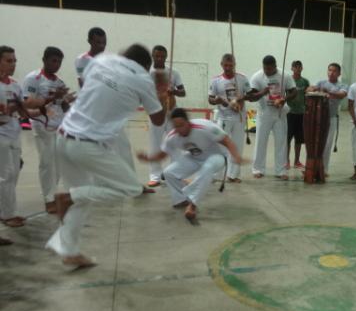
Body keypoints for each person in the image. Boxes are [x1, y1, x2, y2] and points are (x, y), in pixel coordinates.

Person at [46, 44, 165, 268]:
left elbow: (91, 86)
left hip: (62, 137)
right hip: (88, 145)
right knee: (130, 187)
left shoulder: (101, 60)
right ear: (146, 65)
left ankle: (70, 252)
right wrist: (161, 93)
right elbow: (158, 120)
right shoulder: (143, 79)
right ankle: (68, 197)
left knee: (82, 200)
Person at [138, 108, 242, 221]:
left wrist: (236, 156)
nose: (179, 129)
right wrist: (148, 158)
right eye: (175, 126)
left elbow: (227, 140)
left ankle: (192, 205)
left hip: (217, 156)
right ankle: (182, 199)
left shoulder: (204, 127)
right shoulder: (172, 136)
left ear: (188, 122)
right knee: (169, 173)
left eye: (181, 125)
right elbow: (163, 155)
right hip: (194, 157)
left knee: (207, 168)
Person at [22, 47, 76, 213]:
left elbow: (63, 105)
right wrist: (53, 97)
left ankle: (52, 194)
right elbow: (28, 102)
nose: (57, 64)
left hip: (59, 126)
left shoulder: (59, 82)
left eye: (59, 61)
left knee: (59, 164)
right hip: (41, 125)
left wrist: (69, 101)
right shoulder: (33, 78)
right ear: (44, 60)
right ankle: (48, 199)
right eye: (53, 60)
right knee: (47, 163)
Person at [248, 55, 297, 180]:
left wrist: (284, 99)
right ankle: (258, 169)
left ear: (275, 66)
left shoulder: (285, 75)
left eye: (270, 69)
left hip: (280, 112)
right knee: (260, 141)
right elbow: (251, 96)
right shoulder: (257, 77)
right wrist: (262, 93)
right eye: (265, 69)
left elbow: (294, 91)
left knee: (281, 142)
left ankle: (280, 171)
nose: (268, 71)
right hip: (264, 113)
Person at [147, 45, 186, 187]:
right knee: (155, 144)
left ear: (166, 56)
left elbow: (183, 92)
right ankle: (155, 176)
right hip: (155, 112)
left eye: (162, 56)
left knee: (174, 143)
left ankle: (174, 174)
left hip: (172, 113)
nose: (159, 59)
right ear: (152, 56)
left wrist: (174, 91)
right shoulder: (147, 73)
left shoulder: (173, 73)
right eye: (157, 56)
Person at [208, 53, 251, 183]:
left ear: (234, 64)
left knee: (237, 146)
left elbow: (250, 95)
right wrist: (217, 100)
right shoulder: (216, 80)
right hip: (223, 117)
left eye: (230, 65)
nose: (228, 67)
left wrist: (240, 98)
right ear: (221, 65)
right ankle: (217, 175)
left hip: (239, 117)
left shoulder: (242, 79)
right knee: (221, 145)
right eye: (225, 65)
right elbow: (210, 99)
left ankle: (234, 175)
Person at [0, 46, 25, 235]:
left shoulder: (16, 85)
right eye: (9, 60)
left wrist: (45, 105)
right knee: (4, 176)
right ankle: (7, 214)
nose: (13, 64)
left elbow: (24, 112)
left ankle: (8, 211)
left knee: (13, 175)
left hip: (15, 134)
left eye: (14, 60)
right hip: (0, 136)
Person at [310, 63, 348, 175]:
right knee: (316, 143)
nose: (331, 72)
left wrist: (328, 92)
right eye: (330, 70)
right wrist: (314, 88)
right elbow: (309, 90)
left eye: (334, 71)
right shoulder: (321, 83)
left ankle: (324, 169)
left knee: (327, 144)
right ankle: (313, 167)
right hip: (318, 118)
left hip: (331, 118)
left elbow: (341, 95)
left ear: (339, 73)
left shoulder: (342, 86)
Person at [286, 60, 309, 170]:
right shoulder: (287, 80)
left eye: (299, 67)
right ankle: (286, 161)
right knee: (287, 139)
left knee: (299, 139)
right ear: (292, 68)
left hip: (301, 113)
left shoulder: (305, 82)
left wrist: (307, 109)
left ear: (302, 68)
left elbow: (307, 96)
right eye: (295, 66)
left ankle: (297, 161)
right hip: (289, 113)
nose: (297, 68)